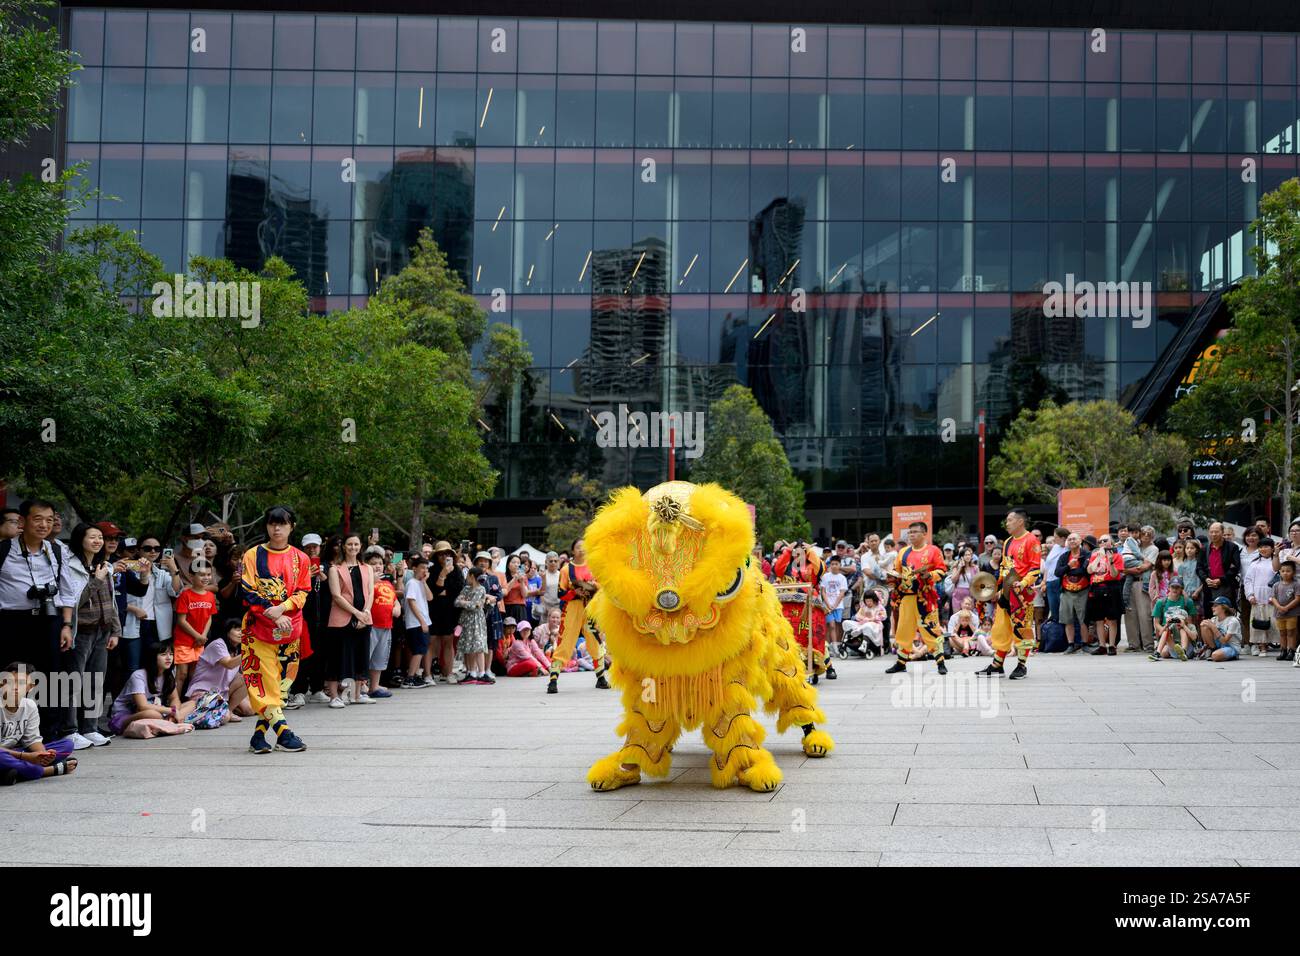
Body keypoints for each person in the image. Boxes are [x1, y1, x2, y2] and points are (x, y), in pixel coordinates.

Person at [238, 505, 310, 754]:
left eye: (282, 523)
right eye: (272, 523)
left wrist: (284, 609)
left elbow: (303, 591)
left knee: (281, 685)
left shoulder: (301, 558)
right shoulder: (251, 555)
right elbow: (248, 591)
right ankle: (283, 732)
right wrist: (272, 612)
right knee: (264, 681)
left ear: (292, 527)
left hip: (290, 628)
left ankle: (258, 737)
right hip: (258, 628)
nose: (277, 528)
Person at [0, 500, 76, 731]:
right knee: (11, 678)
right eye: (38, 519)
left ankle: (49, 734)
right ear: (22, 521)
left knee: (50, 678)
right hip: (11, 622)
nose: (44, 524)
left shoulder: (56, 550)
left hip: (48, 620)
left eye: (49, 520)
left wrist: (66, 625)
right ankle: (8, 733)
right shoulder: (3, 550)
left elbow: (67, 590)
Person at [60, 523, 120, 748]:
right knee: (73, 680)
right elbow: (74, 601)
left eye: (100, 538)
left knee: (95, 681)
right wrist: (96, 580)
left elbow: (111, 601)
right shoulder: (70, 565)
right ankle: (69, 729)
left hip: (102, 630)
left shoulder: (104, 565)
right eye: (92, 537)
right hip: (81, 630)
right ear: (79, 539)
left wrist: (115, 630)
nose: (98, 541)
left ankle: (91, 728)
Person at [977, 509, 1042, 680]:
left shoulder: (1032, 540)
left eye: (1010, 520)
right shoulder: (1007, 542)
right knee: (1000, 628)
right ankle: (997, 665)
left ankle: (1022, 665)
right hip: (1007, 591)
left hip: (1022, 593)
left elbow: (1035, 569)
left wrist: (1023, 583)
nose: (1007, 523)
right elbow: (1004, 568)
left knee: (1022, 629)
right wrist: (997, 590)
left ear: (1020, 522)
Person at [546, 537, 610, 693]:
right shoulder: (566, 569)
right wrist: (575, 592)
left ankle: (601, 678)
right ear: (573, 550)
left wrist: (592, 586)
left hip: (590, 609)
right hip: (571, 610)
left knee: (595, 641)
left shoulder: (593, 567)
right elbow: (560, 593)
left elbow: (602, 586)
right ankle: (553, 680)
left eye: (584, 546)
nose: (582, 549)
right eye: (578, 547)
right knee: (565, 642)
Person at [884, 521, 948, 676]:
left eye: (915, 532)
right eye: (910, 532)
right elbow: (896, 571)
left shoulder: (933, 550)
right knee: (903, 630)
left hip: (925, 597)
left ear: (924, 533)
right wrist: (892, 580)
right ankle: (901, 662)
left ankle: (940, 662)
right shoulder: (903, 552)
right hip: (907, 597)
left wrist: (930, 575)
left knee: (931, 628)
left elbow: (942, 570)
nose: (911, 534)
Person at [1, 662, 78, 785]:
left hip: (14, 753)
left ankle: (13, 773)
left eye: (21, 683)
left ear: (30, 687)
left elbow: (32, 740)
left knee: (67, 744)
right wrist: (26, 757)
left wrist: (43, 755)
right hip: (6, 754)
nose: (15, 687)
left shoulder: (29, 705)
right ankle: (48, 770)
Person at [325, 533, 374, 706]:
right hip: (341, 618)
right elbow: (336, 596)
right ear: (344, 547)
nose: (353, 547)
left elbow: (370, 592)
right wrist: (357, 613)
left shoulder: (367, 568)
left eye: (356, 544)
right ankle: (333, 696)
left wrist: (365, 612)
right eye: (349, 544)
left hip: (364, 618)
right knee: (337, 657)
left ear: (360, 546)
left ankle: (357, 694)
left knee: (361, 655)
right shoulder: (334, 569)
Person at [107, 640, 195, 735]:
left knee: (191, 703)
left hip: (158, 712)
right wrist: (171, 711)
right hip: (126, 716)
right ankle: (168, 723)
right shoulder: (138, 675)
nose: (169, 658)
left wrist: (174, 712)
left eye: (171, 654)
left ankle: (168, 722)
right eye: (163, 654)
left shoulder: (168, 675)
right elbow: (142, 706)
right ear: (152, 657)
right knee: (152, 714)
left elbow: (175, 699)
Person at [186, 620, 253, 720]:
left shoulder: (238, 649)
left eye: (243, 631)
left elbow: (241, 676)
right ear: (227, 631)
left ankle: (228, 710)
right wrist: (249, 653)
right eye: (237, 629)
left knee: (249, 709)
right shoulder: (218, 644)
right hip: (205, 691)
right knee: (224, 717)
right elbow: (228, 664)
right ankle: (224, 712)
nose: (241, 633)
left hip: (222, 692)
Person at [173, 561, 218, 697]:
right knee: (182, 674)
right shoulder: (185, 595)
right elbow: (181, 621)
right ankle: (174, 701)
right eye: (201, 575)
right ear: (191, 576)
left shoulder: (210, 596)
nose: (206, 578)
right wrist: (197, 636)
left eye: (209, 575)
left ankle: (191, 701)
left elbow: (209, 617)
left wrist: (203, 636)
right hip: (184, 640)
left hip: (199, 642)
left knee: (195, 674)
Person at [364, 547, 398, 698]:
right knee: (366, 656)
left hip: (386, 625)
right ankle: (362, 685)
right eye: (373, 563)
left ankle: (374, 685)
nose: (378, 566)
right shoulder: (366, 582)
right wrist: (371, 581)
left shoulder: (387, 582)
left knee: (380, 657)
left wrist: (397, 606)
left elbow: (394, 598)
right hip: (371, 625)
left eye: (380, 563)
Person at [428, 541, 463, 685]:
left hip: (450, 610)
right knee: (432, 642)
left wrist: (442, 588)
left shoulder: (456, 570)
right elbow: (433, 592)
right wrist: (442, 575)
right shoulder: (431, 570)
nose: (445, 556)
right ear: (436, 555)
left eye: (448, 554)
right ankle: (427, 674)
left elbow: (457, 590)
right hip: (433, 609)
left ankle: (449, 672)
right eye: (441, 554)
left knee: (448, 641)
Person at [1085, 533, 1125, 656]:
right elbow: (1089, 570)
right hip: (1096, 588)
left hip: (1111, 587)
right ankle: (1102, 645)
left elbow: (1114, 575)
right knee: (1098, 619)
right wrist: (1098, 557)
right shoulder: (1095, 555)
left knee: (1112, 618)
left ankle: (1112, 645)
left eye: (1105, 540)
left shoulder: (1117, 556)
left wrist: (1110, 561)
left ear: (1111, 542)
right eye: (1100, 541)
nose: (1102, 543)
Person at [455, 567, 493, 685]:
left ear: (472, 576)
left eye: (468, 575)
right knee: (469, 646)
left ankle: (481, 673)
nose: (466, 578)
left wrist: (465, 602)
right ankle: (472, 672)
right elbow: (457, 602)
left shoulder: (481, 589)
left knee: (478, 645)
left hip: (477, 620)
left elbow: (474, 606)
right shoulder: (466, 589)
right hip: (467, 621)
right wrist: (467, 603)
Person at [402, 556, 436, 688]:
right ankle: (410, 677)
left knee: (421, 649)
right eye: (422, 567)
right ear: (414, 568)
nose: (425, 570)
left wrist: (425, 582)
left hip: (423, 621)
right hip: (416, 623)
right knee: (418, 650)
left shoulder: (420, 583)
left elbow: (430, 597)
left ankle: (414, 675)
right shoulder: (411, 583)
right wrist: (422, 621)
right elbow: (411, 602)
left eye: (426, 568)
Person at [1196, 522, 1241, 620]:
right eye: (1211, 532)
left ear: (1222, 532)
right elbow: (1199, 568)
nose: (1213, 534)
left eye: (1216, 532)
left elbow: (1235, 568)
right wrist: (1206, 579)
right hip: (1209, 587)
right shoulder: (1204, 549)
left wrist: (1221, 580)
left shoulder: (1232, 547)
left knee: (1227, 616)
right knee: (1209, 616)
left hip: (1226, 587)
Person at [1243, 537, 1279, 657]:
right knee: (1259, 622)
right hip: (1257, 597)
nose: (1263, 549)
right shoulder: (1254, 564)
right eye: (1261, 547)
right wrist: (1250, 595)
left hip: (1271, 598)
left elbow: (1277, 574)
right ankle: (1262, 647)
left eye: (1266, 546)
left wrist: (1274, 597)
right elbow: (1247, 580)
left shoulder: (1275, 561)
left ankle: (1271, 645)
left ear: (1272, 548)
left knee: (1272, 622)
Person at [1056, 533, 1092, 653]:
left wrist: (1071, 571)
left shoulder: (1087, 554)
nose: (1072, 541)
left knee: (1083, 619)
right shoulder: (1064, 556)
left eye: (1074, 539)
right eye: (1069, 539)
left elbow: (1085, 571)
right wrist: (1068, 566)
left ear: (1080, 540)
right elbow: (1058, 572)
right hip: (1067, 591)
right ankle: (1071, 644)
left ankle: (1084, 643)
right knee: (1068, 619)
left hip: (1083, 590)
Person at [1150, 580, 1198, 661]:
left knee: (1182, 629)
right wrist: (1167, 625)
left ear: (1181, 589)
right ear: (1168, 587)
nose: (1175, 589)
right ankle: (1157, 653)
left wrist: (1183, 625)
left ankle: (1183, 651)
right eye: (1173, 587)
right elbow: (1157, 625)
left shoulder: (1187, 602)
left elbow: (1190, 623)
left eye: (1177, 587)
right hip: (1171, 639)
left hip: (1185, 638)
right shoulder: (1161, 602)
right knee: (1164, 651)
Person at [819, 555, 848, 666]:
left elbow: (842, 593)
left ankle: (835, 644)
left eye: (836, 564)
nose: (834, 566)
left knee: (837, 625)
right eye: (833, 564)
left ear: (840, 565)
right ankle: (830, 646)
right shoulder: (826, 577)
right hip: (827, 605)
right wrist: (828, 604)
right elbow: (823, 591)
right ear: (830, 565)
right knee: (830, 624)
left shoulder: (842, 578)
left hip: (838, 605)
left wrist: (835, 604)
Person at [1271, 559, 1299, 662]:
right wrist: (1279, 607)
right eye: (1283, 571)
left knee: (1291, 632)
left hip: (1292, 613)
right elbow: (1273, 598)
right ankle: (1283, 650)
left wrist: (1286, 608)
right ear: (1280, 572)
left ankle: (1291, 650)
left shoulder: (1296, 584)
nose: (1285, 573)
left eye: (1288, 571)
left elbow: (1297, 598)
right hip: (1279, 613)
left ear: (1293, 572)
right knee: (1282, 633)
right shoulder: (1276, 585)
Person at [1199, 596, 1242, 661]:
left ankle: (1233, 655)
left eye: (1215, 605)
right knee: (1204, 625)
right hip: (1218, 645)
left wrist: (1213, 627)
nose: (1212, 607)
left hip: (1231, 647)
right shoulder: (1214, 619)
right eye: (1213, 605)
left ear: (1224, 608)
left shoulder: (1233, 621)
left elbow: (1224, 641)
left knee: (1215, 656)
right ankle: (1212, 649)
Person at [843, 591, 886, 657]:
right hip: (863, 623)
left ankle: (859, 633)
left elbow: (883, 616)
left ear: (874, 600)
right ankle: (852, 635)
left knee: (868, 625)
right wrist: (864, 618)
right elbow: (857, 616)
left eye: (870, 601)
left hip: (874, 624)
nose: (868, 603)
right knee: (846, 622)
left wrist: (872, 618)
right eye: (867, 601)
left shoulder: (879, 607)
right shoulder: (864, 607)